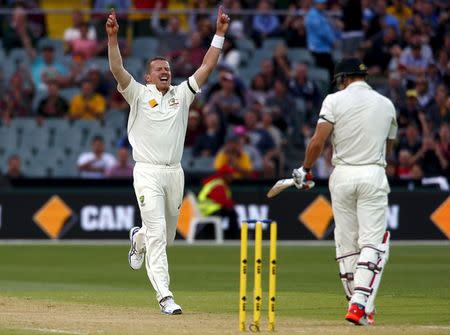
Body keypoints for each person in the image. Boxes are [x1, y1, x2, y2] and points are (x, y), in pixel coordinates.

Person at [106, 7, 230, 314]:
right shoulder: (136, 93)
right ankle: (165, 296)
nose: (165, 72)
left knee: (167, 236)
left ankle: (139, 237)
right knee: (160, 236)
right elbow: (117, 69)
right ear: (148, 76)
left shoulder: (182, 95)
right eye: (159, 69)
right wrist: (112, 38)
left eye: (168, 69)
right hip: (147, 172)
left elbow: (207, 66)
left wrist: (220, 34)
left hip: (174, 173)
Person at [292, 58, 397, 326]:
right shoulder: (386, 105)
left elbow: (318, 140)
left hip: (343, 175)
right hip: (373, 172)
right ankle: (361, 304)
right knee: (373, 242)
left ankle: (357, 305)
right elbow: (389, 149)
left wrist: (305, 169)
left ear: (344, 79)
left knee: (347, 243)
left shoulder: (334, 100)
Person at [197, 165, 239, 239]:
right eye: (230, 175)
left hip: (208, 211)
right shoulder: (218, 184)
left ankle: (229, 236)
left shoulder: (217, 182)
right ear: (225, 175)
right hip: (208, 211)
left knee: (230, 212)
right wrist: (231, 205)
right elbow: (221, 200)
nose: (232, 177)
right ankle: (233, 237)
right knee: (232, 213)